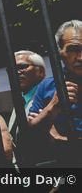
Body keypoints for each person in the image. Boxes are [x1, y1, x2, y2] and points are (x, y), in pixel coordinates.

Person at [28, 20, 82, 165]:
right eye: (73, 49)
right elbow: (32, 135)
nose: (80, 57)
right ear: (59, 52)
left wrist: (60, 138)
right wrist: (53, 107)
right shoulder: (47, 87)